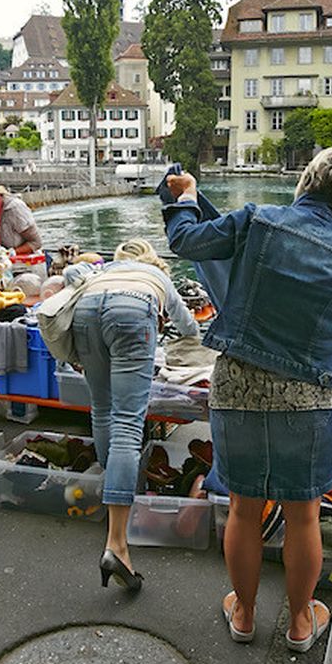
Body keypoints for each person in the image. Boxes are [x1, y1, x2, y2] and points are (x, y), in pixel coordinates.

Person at [164, 146, 332, 653]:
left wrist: (187, 197)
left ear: (306, 180)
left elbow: (184, 242)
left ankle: (244, 613)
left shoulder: (257, 220)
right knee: (304, 514)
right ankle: (301, 621)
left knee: (243, 508)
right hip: (311, 399)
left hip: (240, 385)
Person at [65, 239, 201, 591]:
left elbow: (71, 272)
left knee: (102, 409)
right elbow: (189, 328)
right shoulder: (156, 276)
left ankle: (115, 495)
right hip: (132, 314)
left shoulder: (104, 270)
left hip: (86, 311)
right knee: (128, 423)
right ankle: (117, 544)